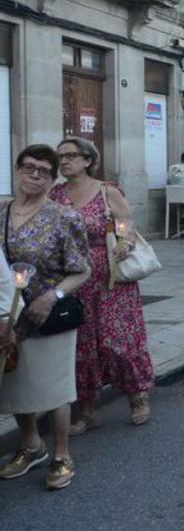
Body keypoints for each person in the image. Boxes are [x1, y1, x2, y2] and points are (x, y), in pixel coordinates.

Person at [0, 145, 91, 490]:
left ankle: (62, 454)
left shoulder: (63, 216)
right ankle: (30, 446)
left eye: (44, 171)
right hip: (12, 316)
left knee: (54, 389)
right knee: (17, 385)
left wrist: (51, 297)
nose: (35, 175)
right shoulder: (3, 211)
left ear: (53, 179)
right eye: (29, 167)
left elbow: (82, 269)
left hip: (50, 314)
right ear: (17, 169)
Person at [50, 137, 154, 433]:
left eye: (71, 156)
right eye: (61, 157)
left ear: (87, 160)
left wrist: (124, 242)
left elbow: (126, 224)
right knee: (82, 346)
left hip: (110, 279)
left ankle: (138, 395)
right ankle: (86, 411)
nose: (64, 161)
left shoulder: (107, 191)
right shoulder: (55, 195)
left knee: (118, 341)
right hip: (73, 278)